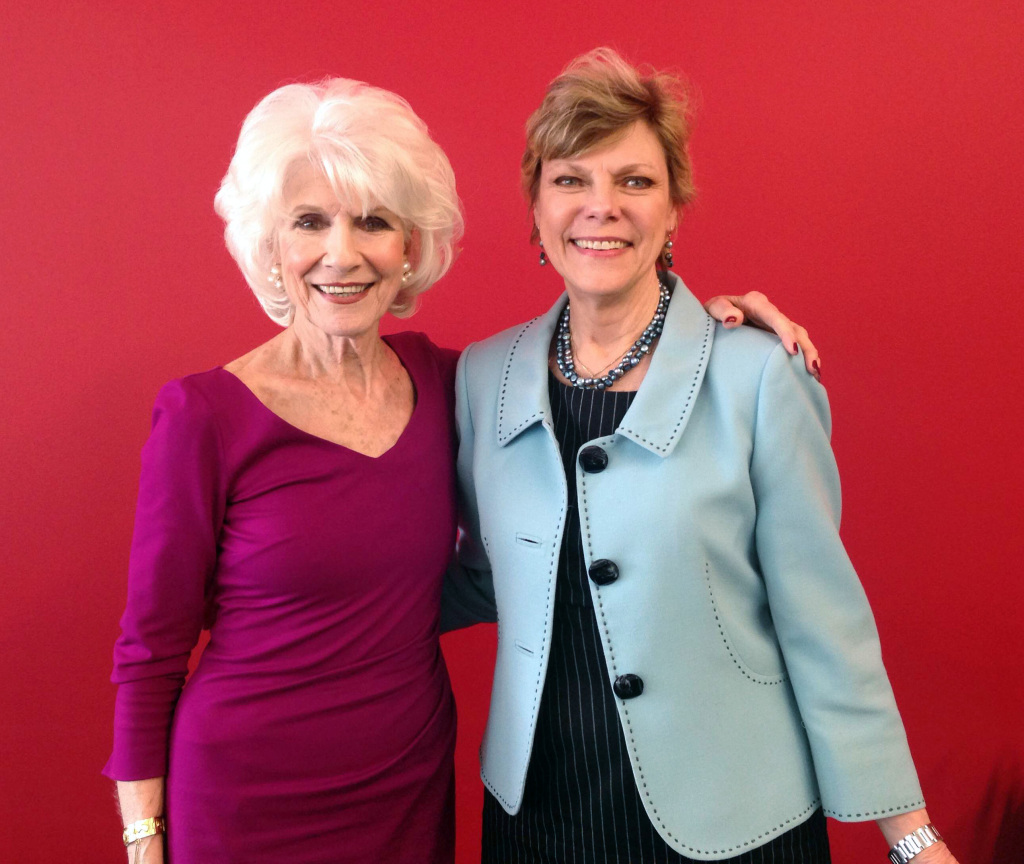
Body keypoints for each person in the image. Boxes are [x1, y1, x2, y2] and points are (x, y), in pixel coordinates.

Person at [103, 76, 810, 863]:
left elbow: (595, 374)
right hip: (248, 788)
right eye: (309, 222)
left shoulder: (457, 384)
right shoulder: (204, 416)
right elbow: (150, 650)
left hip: (403, 782)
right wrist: (144, 834)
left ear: (410, 247)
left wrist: (708, 330)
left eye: (373, 222)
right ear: (270, 245)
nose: (343, 253)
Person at [445, 49, 959, 864]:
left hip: (733, 820)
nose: (601, 207)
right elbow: (475, 575)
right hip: (535, 819)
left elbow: (822, 619)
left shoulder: (757, 375)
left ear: (676, 208)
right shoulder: (481, 375)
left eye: (636, 182)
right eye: (571, 180)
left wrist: (910, 835)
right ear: (536, 205)